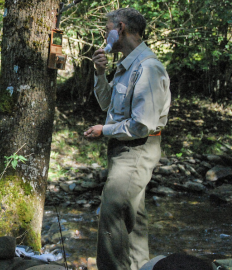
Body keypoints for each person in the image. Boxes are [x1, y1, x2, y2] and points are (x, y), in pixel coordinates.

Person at [83, 8, 171, 270]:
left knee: (112, 217)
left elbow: (142, 125)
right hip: (124, 150)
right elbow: (107, 104)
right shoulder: (127, 65)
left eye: (107, 28)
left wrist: (104, 130)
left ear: (120, 28)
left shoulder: (148, 68)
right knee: (132, 220)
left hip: (137, 149)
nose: (105, 33)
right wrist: (100, 72)